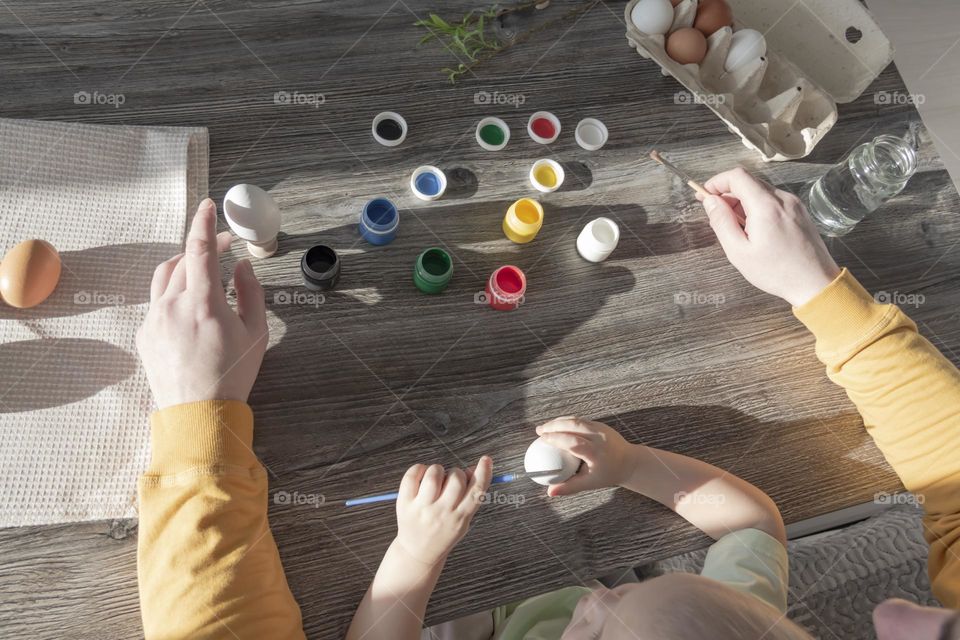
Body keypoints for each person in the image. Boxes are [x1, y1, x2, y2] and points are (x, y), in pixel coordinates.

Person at [136, 165, 960, 639]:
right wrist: (636, 464)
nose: (598, 591)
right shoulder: (734, 621)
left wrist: (415, 561)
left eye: (598, 627)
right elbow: (753, 525)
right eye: (627, 590)